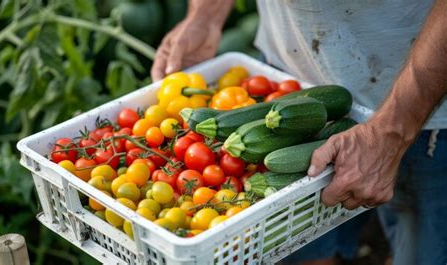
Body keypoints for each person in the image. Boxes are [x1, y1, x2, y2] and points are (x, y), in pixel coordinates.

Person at [151, 1, 447, 265]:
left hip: (424, 103)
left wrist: (392, 133)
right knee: (302, 249)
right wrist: (205, 15)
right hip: (287, 77)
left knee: (420, 252)